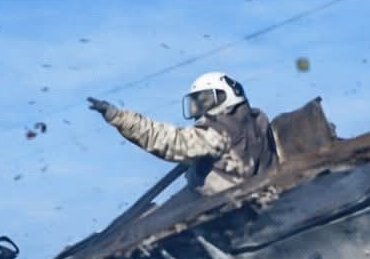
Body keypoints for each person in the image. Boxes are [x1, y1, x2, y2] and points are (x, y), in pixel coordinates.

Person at [88, 71, 277, 196]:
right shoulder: (258, 120)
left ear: (224, 96)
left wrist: (119, 117)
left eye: (205, 100)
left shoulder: (217, 133)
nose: (199, 107)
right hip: (265, 192)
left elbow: (169, 141)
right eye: (197, 101)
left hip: (225, 205)